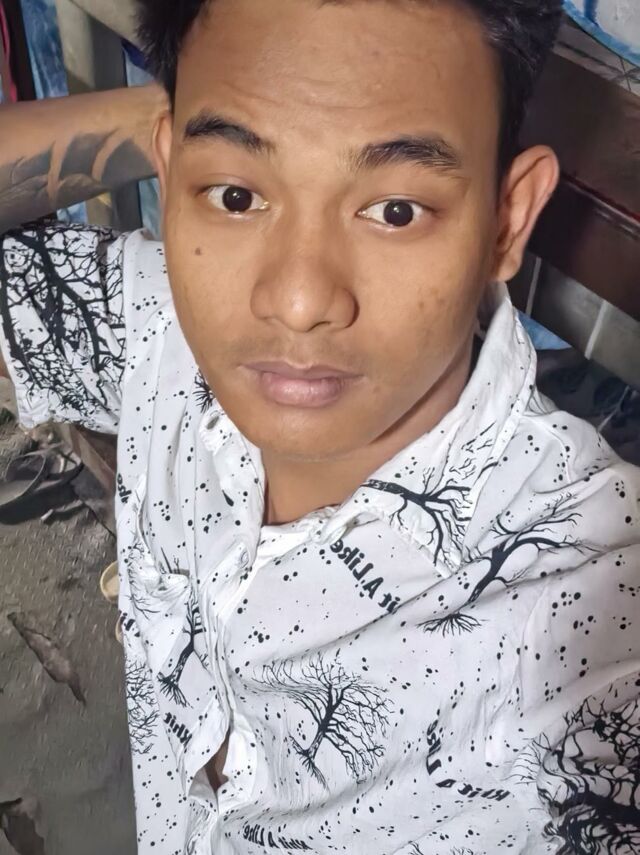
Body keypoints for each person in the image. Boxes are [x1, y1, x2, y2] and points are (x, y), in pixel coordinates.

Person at [0, 0, 638, 852]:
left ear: (507, 222)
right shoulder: (152, 327)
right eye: (236, 195)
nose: (299, 300)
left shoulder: (589, 619)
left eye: (396, 210)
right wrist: (182, 109)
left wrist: (237, 130)